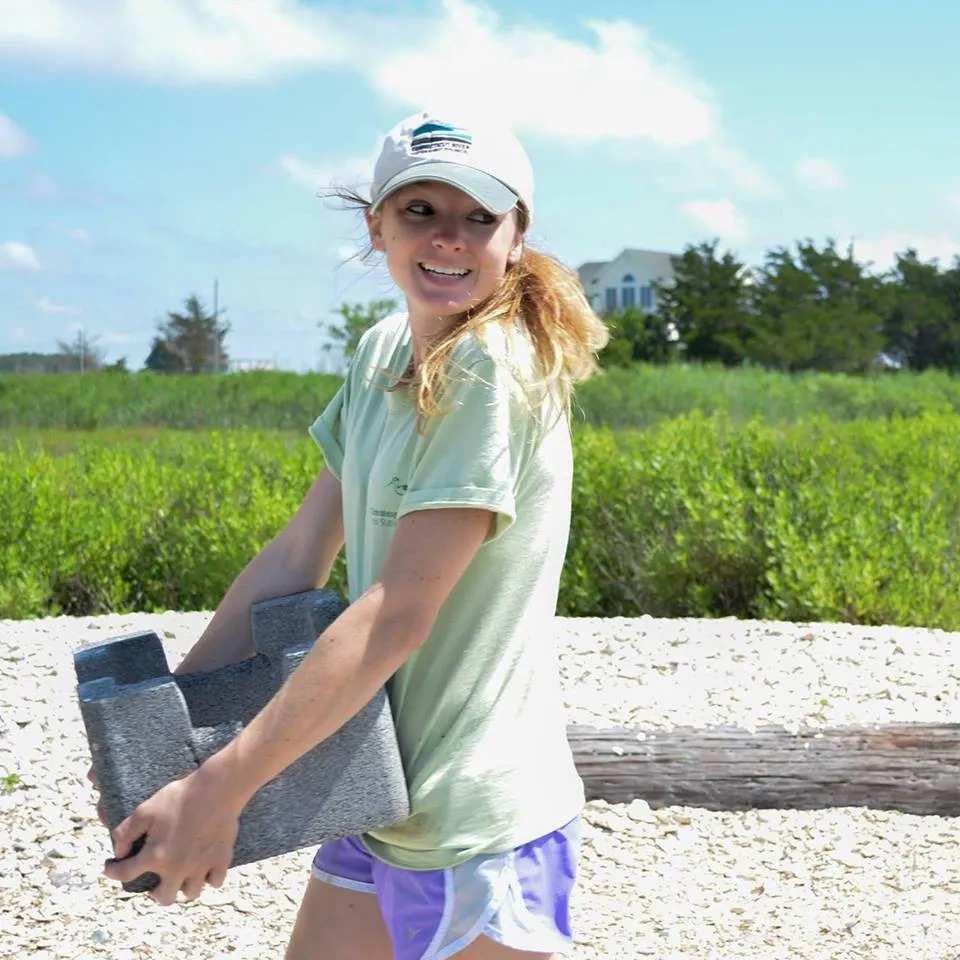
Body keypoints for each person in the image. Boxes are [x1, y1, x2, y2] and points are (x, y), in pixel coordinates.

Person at [90, 110, 610, 959]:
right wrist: (165, 739)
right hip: (375, 792)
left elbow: (400, 610)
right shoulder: (381, 354)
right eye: (421, 212)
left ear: (517, 237)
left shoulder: (488, 366)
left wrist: (218, 789)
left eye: (479, 217)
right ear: (376, 226)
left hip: (476, 822)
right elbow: (298, 556)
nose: (450, 238)